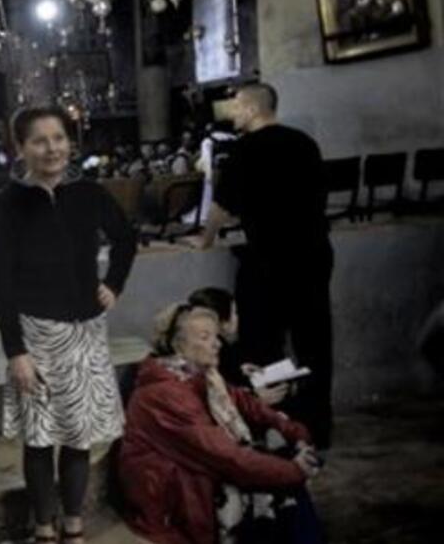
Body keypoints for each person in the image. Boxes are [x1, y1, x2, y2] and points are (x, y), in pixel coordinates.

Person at [0, 105, 137, 544]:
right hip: (34, 333)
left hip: (86, 332)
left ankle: (73, 525)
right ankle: (44, 528)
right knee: (38, 438)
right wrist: (15, 350)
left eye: (59, 138)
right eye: (39, 140)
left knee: (79, 434)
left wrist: (114, 284)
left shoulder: (88, 193)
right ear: (21, 148)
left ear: (70, 142)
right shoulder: (8, 204)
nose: (52, 148)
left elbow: (126, 237)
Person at [200, 83, 335, 447]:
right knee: (315, 342)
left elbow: (221, 209)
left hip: (270, 259)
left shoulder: (244, 150)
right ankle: (319, 428)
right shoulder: (305, 143)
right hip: (313, 254)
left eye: (236, 106)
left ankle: (275, 426)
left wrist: (204, 241)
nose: (232, 113)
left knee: (262, 344)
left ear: (251, 108)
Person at [119, 304, 323, 544]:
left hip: (198, 469)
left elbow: (247, 403)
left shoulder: (200, 374)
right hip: (172, 497)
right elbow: (224, 456)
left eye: (216, 336)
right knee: (281, 485)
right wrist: (294, 471)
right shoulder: (164, 394)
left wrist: (294, 432)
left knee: (283, 471)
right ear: (177, 344)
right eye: (205, 337)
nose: (216, 344)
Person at [188, 286, 289, 406]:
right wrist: (256, 399)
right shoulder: (216, 351)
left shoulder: (222, 348)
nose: (237, 318)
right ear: (223, 322)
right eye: (235, 313)